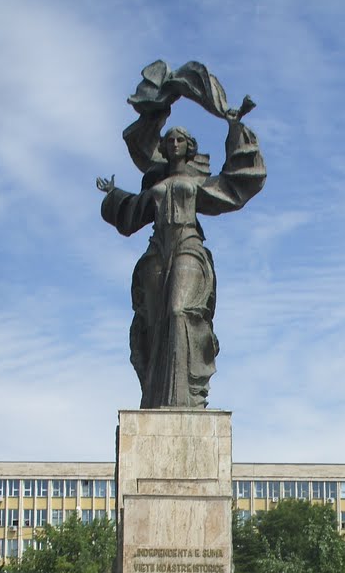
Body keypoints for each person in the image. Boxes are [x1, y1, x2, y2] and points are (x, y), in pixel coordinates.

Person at [97, 73, 265, 409]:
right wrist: (113, 195)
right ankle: (154, 398)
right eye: (169, 139)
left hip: (189, 246)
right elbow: (132, 213)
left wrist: (234, 129)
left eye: (180, 140)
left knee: (179, 312)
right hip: (157, 251)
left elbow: (236, 185)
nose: (173, 143)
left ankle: (188, 397)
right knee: (154, 323)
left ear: (190, 147)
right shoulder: (156, 183)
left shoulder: (199, 181)